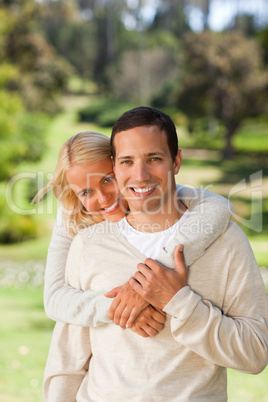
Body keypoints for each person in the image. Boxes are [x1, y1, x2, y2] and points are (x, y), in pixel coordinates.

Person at [43, 107, 268, 401]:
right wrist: (119, 306)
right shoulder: (86, 244)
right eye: (127, 162)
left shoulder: (224, 240)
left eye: (154, 159)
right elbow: (67, 362)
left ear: (176, 161)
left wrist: (179, 301)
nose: (140, 174)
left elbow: (255, 354)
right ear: (117, 165)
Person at [34, 131, 233, 332]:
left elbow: (218, 206)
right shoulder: (73, 215)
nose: (103, 198)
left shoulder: (149, 190)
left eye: (107, 179)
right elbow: (54, 299)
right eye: (86, 192)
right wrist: (122, 308)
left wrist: (147, 282)